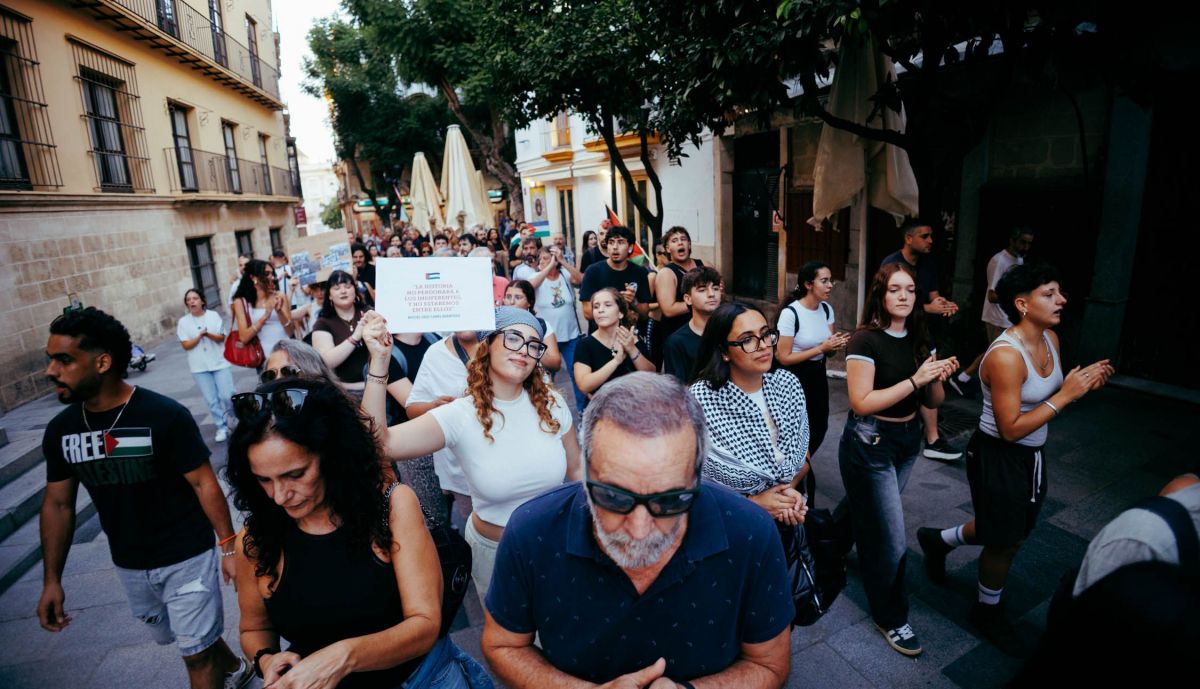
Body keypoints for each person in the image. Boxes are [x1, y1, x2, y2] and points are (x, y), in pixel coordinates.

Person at [481, 373, 793, 688]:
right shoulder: (532, 531)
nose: (640, 529)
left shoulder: (751, 533)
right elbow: (503, 644)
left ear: (696, 478)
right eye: (615, 497)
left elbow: (769, 664)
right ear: (585, 473)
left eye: (669, 500)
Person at [227, 379, 492, 689]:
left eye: (295, 475)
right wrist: (267, 658)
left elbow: (424, 625)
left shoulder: (391, 507)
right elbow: (253, 629)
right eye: (264, 480)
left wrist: (344, 656)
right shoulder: (255, 539)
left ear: (331, 456)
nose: (279, 496)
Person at [39, 308, 250, 689]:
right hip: (130, 563)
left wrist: (229, 547)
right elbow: (58, 504)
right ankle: (235, 667)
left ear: (102, 362)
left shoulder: (163, 415)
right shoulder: (62, 430)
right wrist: (51, 579)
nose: (51, 371)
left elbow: (205, 483)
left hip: (186, 556)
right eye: (50, 359)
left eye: (64, 360)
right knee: (189, 640)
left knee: (196, 656)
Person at [916, 263, 1112, 656]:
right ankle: (987, 610)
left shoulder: (1052, 339)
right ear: (1022, 304)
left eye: (1060, 291)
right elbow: (1010, 428)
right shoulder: (1006, 356)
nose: (1062, 300)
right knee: (1006, 540)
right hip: (999, 455)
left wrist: (1080, 384)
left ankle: (937, 541)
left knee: (1009, 527)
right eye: (1050, 293)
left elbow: (1045, 400)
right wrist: (1067, 395)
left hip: (1032, 454)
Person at [361, 308, 581, 605]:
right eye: (514, 337)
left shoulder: (552, 403)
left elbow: (578, 470)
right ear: (487, 344)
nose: (525, 350)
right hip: (496, 554)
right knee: (510, 644)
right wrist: (379, 364)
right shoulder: (460, 414)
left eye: (534, 345)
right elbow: (380, 445)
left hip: (554, 545)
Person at [840, 263, 959, 656]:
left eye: (910, 289)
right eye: (895, 290)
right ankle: (890, 616)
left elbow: (933, 402)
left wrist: (937, 377)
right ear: (881, 294)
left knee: (866, 509)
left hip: (907, 439)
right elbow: (861, 402)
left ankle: (825, 543)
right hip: (870, 440)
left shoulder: (922, 336)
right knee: (889, 536)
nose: (905, 296)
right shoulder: (865, 340)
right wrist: (915, 379)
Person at [690, 304, 810, 528]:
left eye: (765, 334)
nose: (763, 346)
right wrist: (753, 503)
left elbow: (804, 453)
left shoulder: (787, 384)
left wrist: (786, 495)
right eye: (747, 340)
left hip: (786, 518)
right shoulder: (701, 400)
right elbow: (691, 479)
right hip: (728, 524)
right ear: (724, 352)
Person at [880, 220, 962, 461]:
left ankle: (933, 439)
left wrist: (944, 305)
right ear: (908, 238)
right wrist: (929, 308)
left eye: (931, 236)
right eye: (924, 236)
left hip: (924, 334)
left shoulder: (928, 264)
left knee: (930, 382)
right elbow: (890, 304)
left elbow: (935, 298)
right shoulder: (891, 264)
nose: (930, 241)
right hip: (898, 333)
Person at [775, 261, 850, 459]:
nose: (830, 285)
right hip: (795, 377)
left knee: (819, 425)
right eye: (824, 281)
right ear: (809, 284)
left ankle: (801, 464)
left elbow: (828, 350)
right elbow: (783, 357)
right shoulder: (790, 314)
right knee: (793, 428)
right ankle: (793, 470)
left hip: (818, 373)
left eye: (831, 280)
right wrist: (821, 348)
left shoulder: (826, 309)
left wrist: (834, 346)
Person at [951, 227, 1035, 393]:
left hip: (1010, 315)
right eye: (1022, 243)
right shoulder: (999, 260)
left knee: (998, 350)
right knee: (996, 351)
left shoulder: (1019, 260)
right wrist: (1016, 300)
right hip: (997, 315)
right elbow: (992, 295)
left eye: (1029, 244)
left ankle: (964, 378)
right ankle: (964, 378)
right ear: (1012, 240)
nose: (1026, 248)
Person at [527, 245, 585, 409]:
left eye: (548, 257)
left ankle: (582, 411)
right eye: (542, 259)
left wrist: (562, 261)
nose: (546, 261)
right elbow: (529, 287)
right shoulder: (536, 277)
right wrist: (548, 267)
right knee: (545, 378)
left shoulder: (565, 275)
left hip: (570, 335)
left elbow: (580, 280)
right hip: (546, 339)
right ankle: (546, 410)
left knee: (577, 374)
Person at [573, 287, 655, 398]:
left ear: (620, 313)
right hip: (603, 409)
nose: (600, 310)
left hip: (635, 405)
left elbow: (651, 374)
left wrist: (632, 349)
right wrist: (616, 361)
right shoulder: (585, 345)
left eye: (607, 305)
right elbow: (584, 385)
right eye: (596, 306)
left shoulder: (631, 339)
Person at [177, 289, 235, 443]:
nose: (191, 302)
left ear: (202, 301)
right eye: (188, 299)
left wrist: (207, 334)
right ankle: (221, 427)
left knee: (227, 395)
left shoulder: (213, 316)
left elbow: (221, 337)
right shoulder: (183, 322)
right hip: (199, 367)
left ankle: (233, 419)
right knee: (212, 400)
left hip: (220, 363)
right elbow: (186, 345)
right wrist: (199, 336)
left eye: (195, 298)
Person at [579, 225, 651, 332]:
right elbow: (587, 312)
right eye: (611, 242)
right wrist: (621, 306)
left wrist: (634, 302)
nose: (615, 247)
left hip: (630, 337)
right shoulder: (593, 271)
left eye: (621, 242)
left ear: (630, 247)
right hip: (601, 338)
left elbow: (645, 313)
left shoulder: (640, 272)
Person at [663, 266, 723, 383]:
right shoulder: (676, 342)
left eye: (715, 288)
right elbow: (678, 390)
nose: (711, 294)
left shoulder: (731, 331)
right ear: (688, 299)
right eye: (702, 290)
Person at [232, 258, 295, 364]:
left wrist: (279, 312)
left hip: (287, 353)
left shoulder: (279, 296)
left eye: (272, 273)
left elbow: (290, 331)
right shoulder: (241, 302)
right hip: (264, 359)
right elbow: (243, 338)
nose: (271, 277)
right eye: (266, 273)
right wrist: (266, 315)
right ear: (253, 277)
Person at [654, 226, 705, 345]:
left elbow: (720, 295)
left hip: (704, 331)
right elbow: (668, 310)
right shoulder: (666, 274)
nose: (680, 242)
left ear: (689, 245)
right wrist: (699, 302)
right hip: (678, 336)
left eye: (683, 239)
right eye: (674, 240)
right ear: (667, 248)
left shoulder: (704, 265)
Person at [505, 279, 563, 373]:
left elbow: (555, 364)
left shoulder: (541, 325)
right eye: (508, 297)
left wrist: (533, 345)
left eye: (518, 297)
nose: (511, 302)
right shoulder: (497, 325)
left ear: (530, 302)